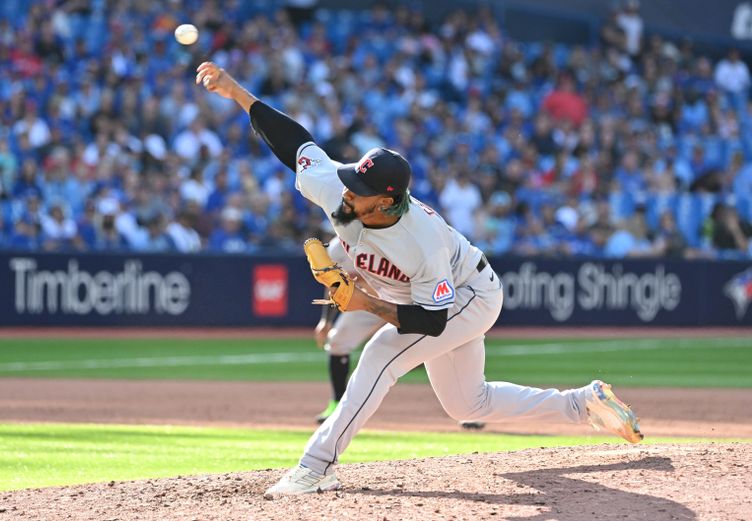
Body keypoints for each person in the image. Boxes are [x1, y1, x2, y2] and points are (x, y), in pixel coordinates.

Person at [195, 62, 644, 497]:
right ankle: (584, 403)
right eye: (350, 182)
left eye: (360, 191)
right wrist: (236, 92)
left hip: (468, 295)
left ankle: (316, 468)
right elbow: (294, 144)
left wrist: (366, 305)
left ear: (389, 203)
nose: (348, 192)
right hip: (426, 296)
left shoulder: (421, 241)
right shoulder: (340, 190)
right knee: (469, 405)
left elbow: (432, 321)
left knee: (377, 359)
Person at [313, 237, 486, 430]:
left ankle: (470, 409)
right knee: (337, 341)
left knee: (445, 342)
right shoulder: (337, 249)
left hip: (405, 302)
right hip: (367, 304)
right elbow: (331, 284)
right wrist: (326, 320)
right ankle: (336, 403)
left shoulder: (390, 237)